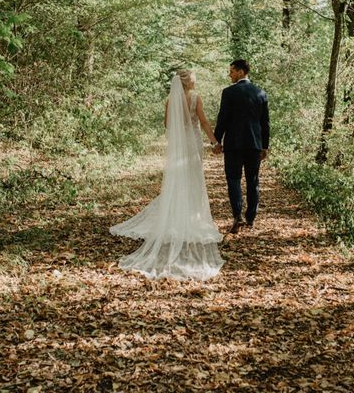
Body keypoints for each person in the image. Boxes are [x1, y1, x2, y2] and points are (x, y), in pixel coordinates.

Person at [110, 70, 224, 280]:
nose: (195, 79)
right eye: (193, 77)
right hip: (193, 142)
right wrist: (215, 142)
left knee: (179, 179)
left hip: (179, 145)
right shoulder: (195, 97)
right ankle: (194, 216)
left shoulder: (170, 99)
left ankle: (177, 212)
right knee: (194, 179)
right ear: (189, 81)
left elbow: (167, 124)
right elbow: (205, 122)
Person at [213, 59, 270, 234]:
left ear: (240, 71)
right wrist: (265, 146)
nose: (229, 74)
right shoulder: (261, 93)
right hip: (254, 144)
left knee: (233, 179)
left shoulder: (229, 92)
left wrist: (217, 141)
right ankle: (251, 218)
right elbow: (265, 123)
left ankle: (237, 216)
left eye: (231, 71)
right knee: (253, 180)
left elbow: (223, 118)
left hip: (234, 144)